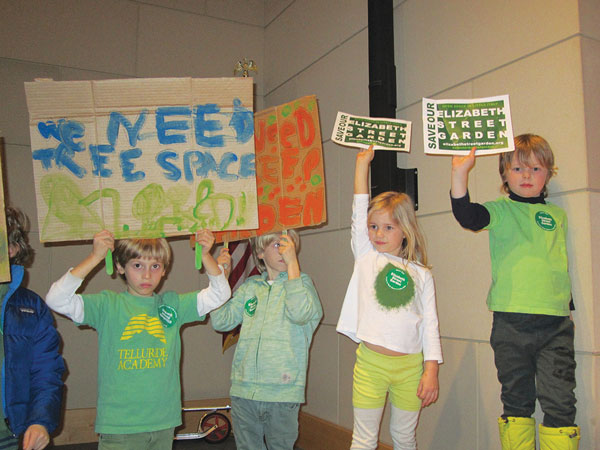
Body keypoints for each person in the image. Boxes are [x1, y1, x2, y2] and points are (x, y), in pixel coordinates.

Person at [45, 229, 231, 450]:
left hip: (163, 422)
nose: (146, 275)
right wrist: (95, 256)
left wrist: (206, 256)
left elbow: (220, 294)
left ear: (164, 270)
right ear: (121, 267)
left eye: (155, 266)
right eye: (137, 265)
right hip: (120, 426)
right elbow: (56, 299)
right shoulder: (107, 306)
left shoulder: (173, 305)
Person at [450, 134, 579, 449]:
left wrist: (566, 304)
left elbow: (558, 264)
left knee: (561, 402)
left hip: (556, 325)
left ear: (548, 174)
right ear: (505, 174)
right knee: (517, 401)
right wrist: (460, 173)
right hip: (511, 324)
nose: (527, 176)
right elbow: (467, 217)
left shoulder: (558, 216)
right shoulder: (501, 210)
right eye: (519, 168)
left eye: (536, 169)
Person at [336, 145, 442, 450]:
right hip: (371, 365)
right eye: (373, 226)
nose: (378, 233)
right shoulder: (367, 256)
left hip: (410, 368)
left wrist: (431, 372)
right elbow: (359, 207)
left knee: (404, 438)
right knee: (364, 439)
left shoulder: (422, 274)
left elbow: (430, 326)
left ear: (405, 230)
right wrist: (361, 164)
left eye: (388, 227)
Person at [210, 229, 322, 450]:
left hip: (282, 391)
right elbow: (221, 321)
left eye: (288, 244)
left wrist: (293, 269)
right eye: (276, 244)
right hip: (244, 391)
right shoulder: (250, 288)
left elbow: (300, 313)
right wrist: (220, 280)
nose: (284, 249)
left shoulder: (302, 284)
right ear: (260, 251)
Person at [0, 206, 65, 450]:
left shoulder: (30, 307)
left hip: (10, 433)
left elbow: (46, 371)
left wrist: (40, 421)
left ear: (12, 249)